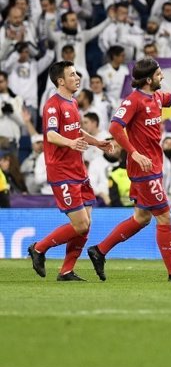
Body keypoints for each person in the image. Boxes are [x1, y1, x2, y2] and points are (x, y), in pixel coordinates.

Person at [86, 57, 171, 282]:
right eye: (159, 74)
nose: (163, 77)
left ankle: (99, 251)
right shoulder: (133, 101)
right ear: (149, 79)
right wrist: (134, 153)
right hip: (144, 169)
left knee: (141, 217)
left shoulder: (156, 97)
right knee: (165, 216)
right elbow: (115, 127)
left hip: (153, 166)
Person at [27, 61, 112, 281]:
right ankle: (39, 248)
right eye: (72, 74)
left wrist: (97, 142)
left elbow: (77, 130)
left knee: (86, 225)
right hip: (62, 170)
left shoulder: (72, 102)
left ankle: (66, 271)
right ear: (61, 81)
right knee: (80, 224)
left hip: (78, 169)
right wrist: (71, 144)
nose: (77, 77)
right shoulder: (52, 105)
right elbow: (51, 135)